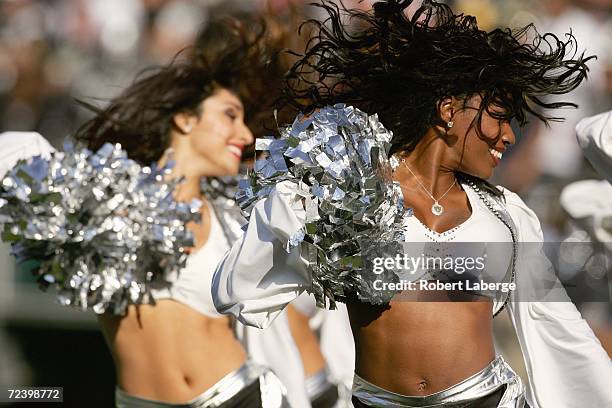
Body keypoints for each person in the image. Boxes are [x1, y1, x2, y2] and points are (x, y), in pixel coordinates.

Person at [211, 1, 612, 407]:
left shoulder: (505, 216)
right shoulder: (348, 199)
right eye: (499, 116)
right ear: (449, 110)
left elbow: (557, 327)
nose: (508, 136)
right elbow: (236, 291)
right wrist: (293, 195)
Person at [72, 17, 289, 407]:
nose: (243, 135)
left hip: (239, 396)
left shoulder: (236, 216)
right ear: (185, 118)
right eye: (229, 115)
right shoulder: (105, 198)